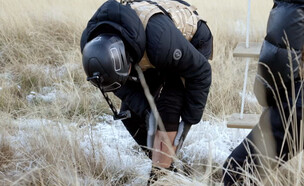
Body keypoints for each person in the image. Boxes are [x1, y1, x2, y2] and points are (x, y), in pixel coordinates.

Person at [80, 0, 213, 181]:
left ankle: (160, 177)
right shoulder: (92, 47)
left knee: (167, 109)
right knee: (130, 115)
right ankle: (170, 167)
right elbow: (119, 85)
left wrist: (190, 120)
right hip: (143, 50)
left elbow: (201, 71)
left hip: (189, 43)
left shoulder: (160, 43)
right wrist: (146, 110)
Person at [223, 0, 304, 185]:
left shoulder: (292, 4)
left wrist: (267, 97)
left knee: (236, 171)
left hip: (298, 101)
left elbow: (277, 61)